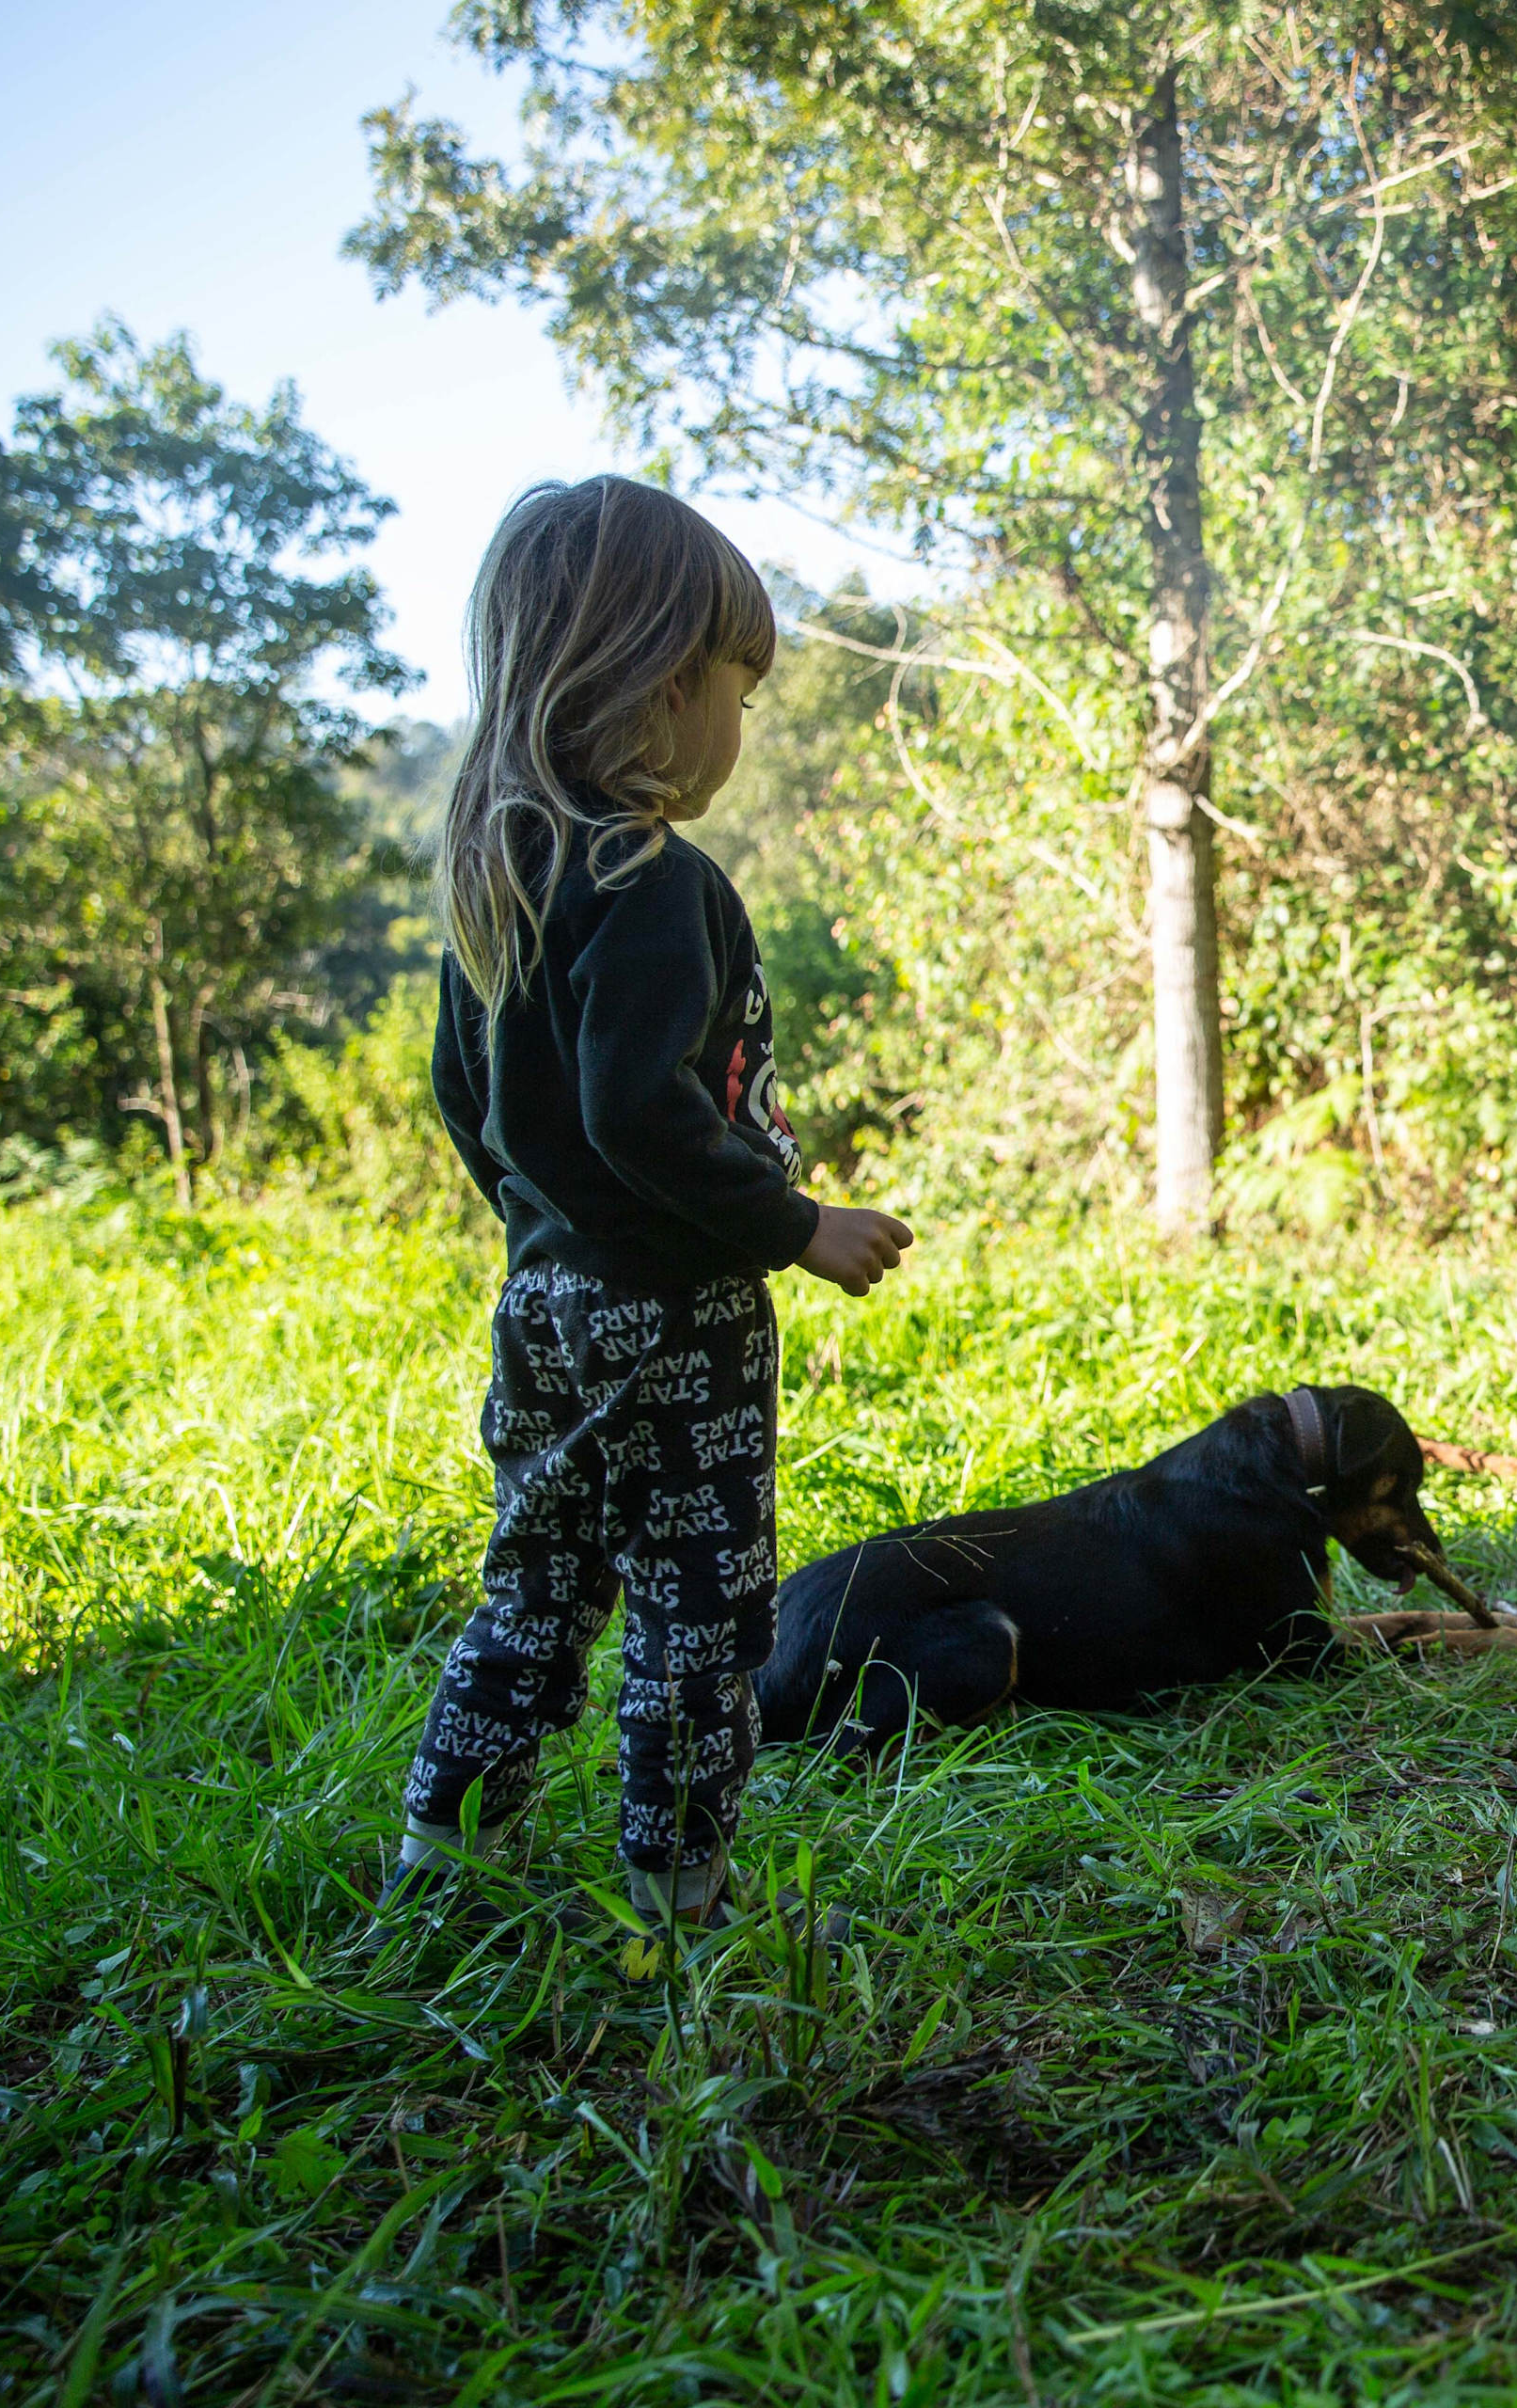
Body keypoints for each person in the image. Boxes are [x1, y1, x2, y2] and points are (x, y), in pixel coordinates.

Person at [388, 475, 913, 1941]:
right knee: (701, 1607)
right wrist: (791, 1223)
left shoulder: (499, 876)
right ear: (663, 688)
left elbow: (468, 1102)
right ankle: (681, 1885)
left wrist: (545, 1234)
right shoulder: (651, 880)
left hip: (544, 1305)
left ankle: (447, 1842)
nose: (741, 730)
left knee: (540, 1583)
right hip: (678, 1323)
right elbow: (640, 1109)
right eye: (738, 691)